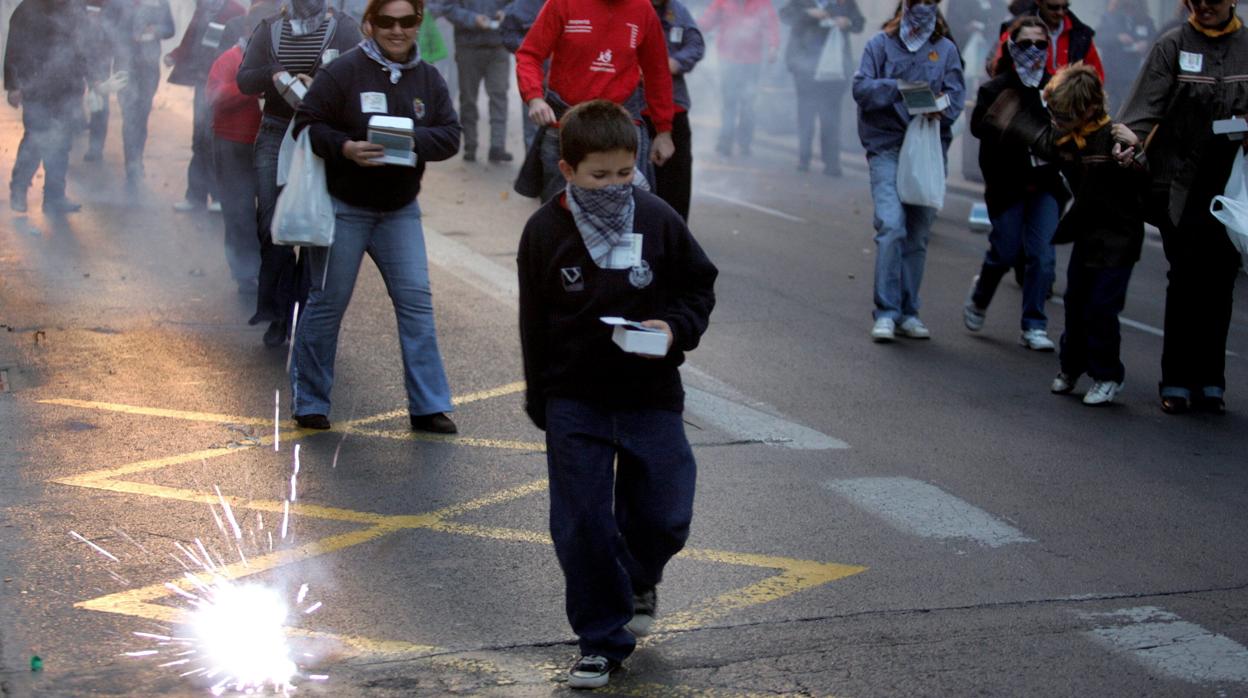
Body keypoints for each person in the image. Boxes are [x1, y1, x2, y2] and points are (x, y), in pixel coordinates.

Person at [517, 99, 717, 690]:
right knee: (581, 524)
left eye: (624, 173)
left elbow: (697, 288)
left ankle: (638, 575)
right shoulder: (545, 231)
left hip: (650, 392)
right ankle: (601, 641)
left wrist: (674, 328)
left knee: (666, 513)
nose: (613, 186)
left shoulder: (655, 218)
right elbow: (533, 322)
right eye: (599, 175)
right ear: (568, 169)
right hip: (574, 398)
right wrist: (541, 400)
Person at [290, 0, 460, 434]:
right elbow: (307, 125)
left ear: (418, 23)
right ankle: (310, 401)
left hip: (400, 211)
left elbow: (451, 137)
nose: (397, 30)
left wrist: (411, 139)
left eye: (407, 21)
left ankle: (428, 406)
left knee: (417, 306)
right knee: (327, 304)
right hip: (345, 208)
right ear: (369, 24)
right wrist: (346, 148)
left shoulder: (428, 77)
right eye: (387, 21)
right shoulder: (343, 71)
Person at [1118, 0, 1248, 414]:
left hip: (1233, 189)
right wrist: (1127, 142)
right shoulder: (1171, 45)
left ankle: (1211, 381)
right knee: (1187, 280)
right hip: (1180, 186)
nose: (1204, 6)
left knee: (1222, 281)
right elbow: (1142, 110)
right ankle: (1176, 380)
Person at [238, 0, 362, 347]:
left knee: (313, 228)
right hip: (276, 132)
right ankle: (277, 313)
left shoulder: (345, 28)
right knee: (271, 227)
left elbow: (359, 80)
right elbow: (244, 79)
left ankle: (306, 315)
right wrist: (273, 73)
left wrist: (323, 81)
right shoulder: (269, 28)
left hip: (321, 133)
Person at [1028, 64, 1146, 405]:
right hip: (1087, 232)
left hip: (1119, 238)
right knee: (1075, 301)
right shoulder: (1065, 137)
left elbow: (1142, 177)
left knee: (1101, 308)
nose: (1057, 120)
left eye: (1063, 114)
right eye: (1054, 112)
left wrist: (1135, 153)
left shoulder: (1113, 138)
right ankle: (1071, 367)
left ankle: (1108, 375)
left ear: (1089, 109)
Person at [852, 0, 965, 342]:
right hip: (886, 147)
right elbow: (861, 88)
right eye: (918, 2)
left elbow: (957, 97)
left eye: (930, 3)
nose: (923, 9)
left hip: (928, 151)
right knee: (891, 225)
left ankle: (908, 312)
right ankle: (885, 312)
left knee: (917, 234)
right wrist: (898, 87)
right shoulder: (879, 45)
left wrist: (938, 108)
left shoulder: (945, 50)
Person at [963, 16, 1065, 350]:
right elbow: (978, 129)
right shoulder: (996, 87)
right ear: (1011, 47)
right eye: (1025, 44)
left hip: (1045, 185)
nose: (1033, 50)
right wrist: (1002, 122)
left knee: (1042, 256)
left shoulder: (1056, 87)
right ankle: (980, 297)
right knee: (1005, 252)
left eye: (1040, 44)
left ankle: (1034, 324)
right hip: (1008, 186)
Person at [514, 0, 676, 202]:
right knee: (559, 217)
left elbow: (657, 72)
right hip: (564, 127)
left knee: (626, 214)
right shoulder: (562, 3)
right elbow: (530, 54)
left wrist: (664, 131)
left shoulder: (643, 9)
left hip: (622, 129)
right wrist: (535, 98)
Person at [206, 3, 274, 294]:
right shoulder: (230, 58)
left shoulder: (277, 60)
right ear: (250, 30)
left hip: (266, 145)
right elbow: (214, 98)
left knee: (266, 212)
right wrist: (250, 88)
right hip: (232, 144)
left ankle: (265, 268)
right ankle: (244, 273)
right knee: (237, 210)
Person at [4, 0, 92, 214]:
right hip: (35, 88)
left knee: (62, 142)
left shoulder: (76, 8)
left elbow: (84, 47)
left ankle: (55, 197)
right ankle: (18, 188)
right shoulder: (27, 9)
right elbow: (13, 49)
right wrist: (13, 85)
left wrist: (94, 80)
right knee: (36, 139)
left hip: (68, 87)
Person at [166, 0, 247, 211]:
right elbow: (190, 40)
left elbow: (242, 46)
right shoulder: (202, 10)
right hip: (203, 83)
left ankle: (220, 197)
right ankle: (195, 196)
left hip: (224, 85)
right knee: (199, 140)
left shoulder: (236, 11)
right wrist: (174, 56)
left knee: (215, 141)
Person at [779, 0, 864, 176]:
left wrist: (847, 22)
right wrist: (809, 14)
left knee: (831, 117)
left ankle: (832, 162)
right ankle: (804, 158)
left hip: (835, 70)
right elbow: (785, 16)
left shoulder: (845, 3)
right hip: (804, 67)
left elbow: (859, 23)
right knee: (806, 114)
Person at [102, 0, 176, 183]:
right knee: (129, 116)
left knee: (142, 115)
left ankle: (137, 158)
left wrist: (155, 30)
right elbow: (106, 26)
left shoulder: (159, 2)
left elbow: (170, 28)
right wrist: (126, 35)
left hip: (149, 67)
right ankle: (132, 164)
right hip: (125, 67)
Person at [644, 0, 704, 221]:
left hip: (673, 107)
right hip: (635, 110)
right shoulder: (629, 8)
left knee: (676, 180)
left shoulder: (678, 12)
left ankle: (675, 234)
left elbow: (696, 45)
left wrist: (675, 62)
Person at [698, 0, 780, 158]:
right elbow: (706, 22)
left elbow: (771, 26)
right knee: (729, 102)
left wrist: (773, 46)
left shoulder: (762, 3)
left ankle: (744, 142)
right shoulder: (723, 2)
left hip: (752, 61)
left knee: (748, 104)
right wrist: (692, 30)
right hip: (728, 59)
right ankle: (725, 142)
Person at [443, 0, 513, 162]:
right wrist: (472, 18)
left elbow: (518, 4)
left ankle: (497, 146)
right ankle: (470, 145)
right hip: (468, 47)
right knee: (468, 98)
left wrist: (506, 13)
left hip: (498, 46)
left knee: (499, 95)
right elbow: (446, 7)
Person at [994, 0, 1103, 81]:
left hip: (1069, 104)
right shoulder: (1017, 30)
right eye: (1053, 7)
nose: (1060, 12)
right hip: (1026, 104)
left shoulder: (1081, 34)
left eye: (1065, 7)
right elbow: (1000, 70)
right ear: (1039, 2)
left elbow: (1096, 75)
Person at [498, 0, 544, 149]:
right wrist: (531, 49)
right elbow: (508, 34)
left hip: (570, 81)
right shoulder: (522, 6)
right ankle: (533, 170)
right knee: (532, 127)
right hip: (534, 78)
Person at [1097, 0, 1155, 111]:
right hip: (1112, 76)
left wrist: (1146, 44)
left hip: (1133, 76)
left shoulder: (1145, 21)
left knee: (1129, 108)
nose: (1130, 9)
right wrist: (1118, 38)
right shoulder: (1110, 18)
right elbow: (1098, 38)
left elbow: (1156, 40)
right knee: (1110, 108)